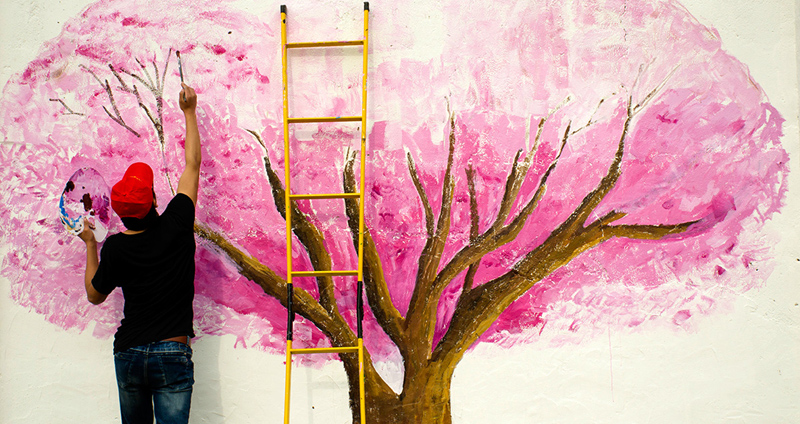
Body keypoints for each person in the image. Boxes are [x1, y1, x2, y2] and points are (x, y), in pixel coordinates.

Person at [78, 83, 200, 424]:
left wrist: (91, 245)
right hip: (173, 351)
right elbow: (192, 165)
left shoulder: (116, 247)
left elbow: (94, 295)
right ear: (154, 201)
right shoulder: (177, 222)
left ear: (120, 213)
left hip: (129, 353)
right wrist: (189, 112)